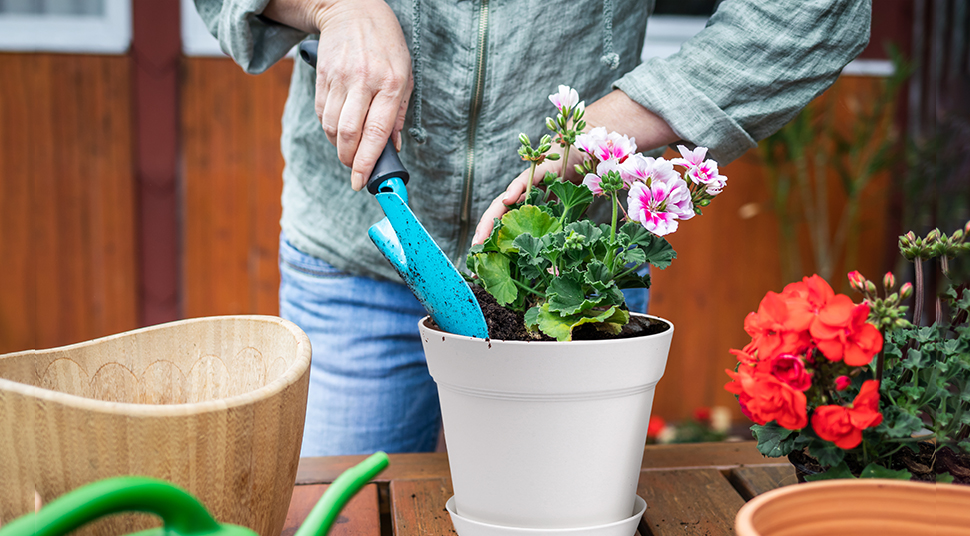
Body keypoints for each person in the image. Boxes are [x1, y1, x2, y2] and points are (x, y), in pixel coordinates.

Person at [193, 0, 871, 456]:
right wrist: (332, 6)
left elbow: (817, 12)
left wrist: (628, 121)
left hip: (567, 277)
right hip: (356, 268)